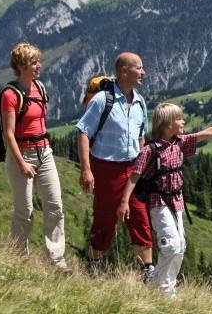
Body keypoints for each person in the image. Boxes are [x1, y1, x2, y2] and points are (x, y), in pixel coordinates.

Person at [116, 102, 212, 297]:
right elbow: (135, 176)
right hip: (159, 202)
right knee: (171, 245)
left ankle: (168, 289)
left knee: (180, 246)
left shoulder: (179, 142)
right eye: (179, 119)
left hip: (177, 201)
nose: (183, 121)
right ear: (167, 124)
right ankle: (158, 286)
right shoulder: (150, 150)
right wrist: (124, 203)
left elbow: (208, 133)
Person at [76, 52, 153, 276]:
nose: (143, 72)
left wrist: (143, 167)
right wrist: (86, 170)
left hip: (133, 170)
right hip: (106, 169)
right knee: (105, 219)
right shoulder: (103, 100)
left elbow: (141, 138)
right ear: (124, 71)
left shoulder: (140, 101)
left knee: (139, 217)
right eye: (139, 68)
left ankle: (147, 271)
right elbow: (83, 133)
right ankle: (92, 265)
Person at [1, 42, 70, 274]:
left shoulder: (39, 88)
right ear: (21, 66)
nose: (38, 66)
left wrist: (44, 150)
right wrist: (21, 163)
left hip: (44, 151)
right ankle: (17, 258)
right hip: (22, 154)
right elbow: (8, 133)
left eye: (38, 61)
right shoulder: (10, 95)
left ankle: (57, 260)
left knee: (55, 206)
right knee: (25, 211)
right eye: (33, 62)